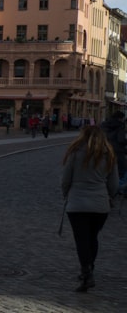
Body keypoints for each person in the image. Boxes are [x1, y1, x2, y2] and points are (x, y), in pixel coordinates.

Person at [60, 124, 119, 292]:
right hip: (100, 205)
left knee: (81, 240)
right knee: (92, 238)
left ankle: (86, 272)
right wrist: (109, 196)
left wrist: (66, 195)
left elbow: (65, 179)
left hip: (77, 203)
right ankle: (89, 268)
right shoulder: (109, 155)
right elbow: (113, 184)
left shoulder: (75, 152)